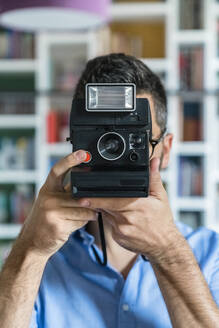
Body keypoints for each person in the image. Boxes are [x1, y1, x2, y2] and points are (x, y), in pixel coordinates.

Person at [0, 53, 219, 328]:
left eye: (135, 140)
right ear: (76, 141)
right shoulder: (44, 260)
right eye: (101, 138)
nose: (113, 149)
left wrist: (168, 252)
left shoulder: (211, 255)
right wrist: (31, 250)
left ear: (166, 150)